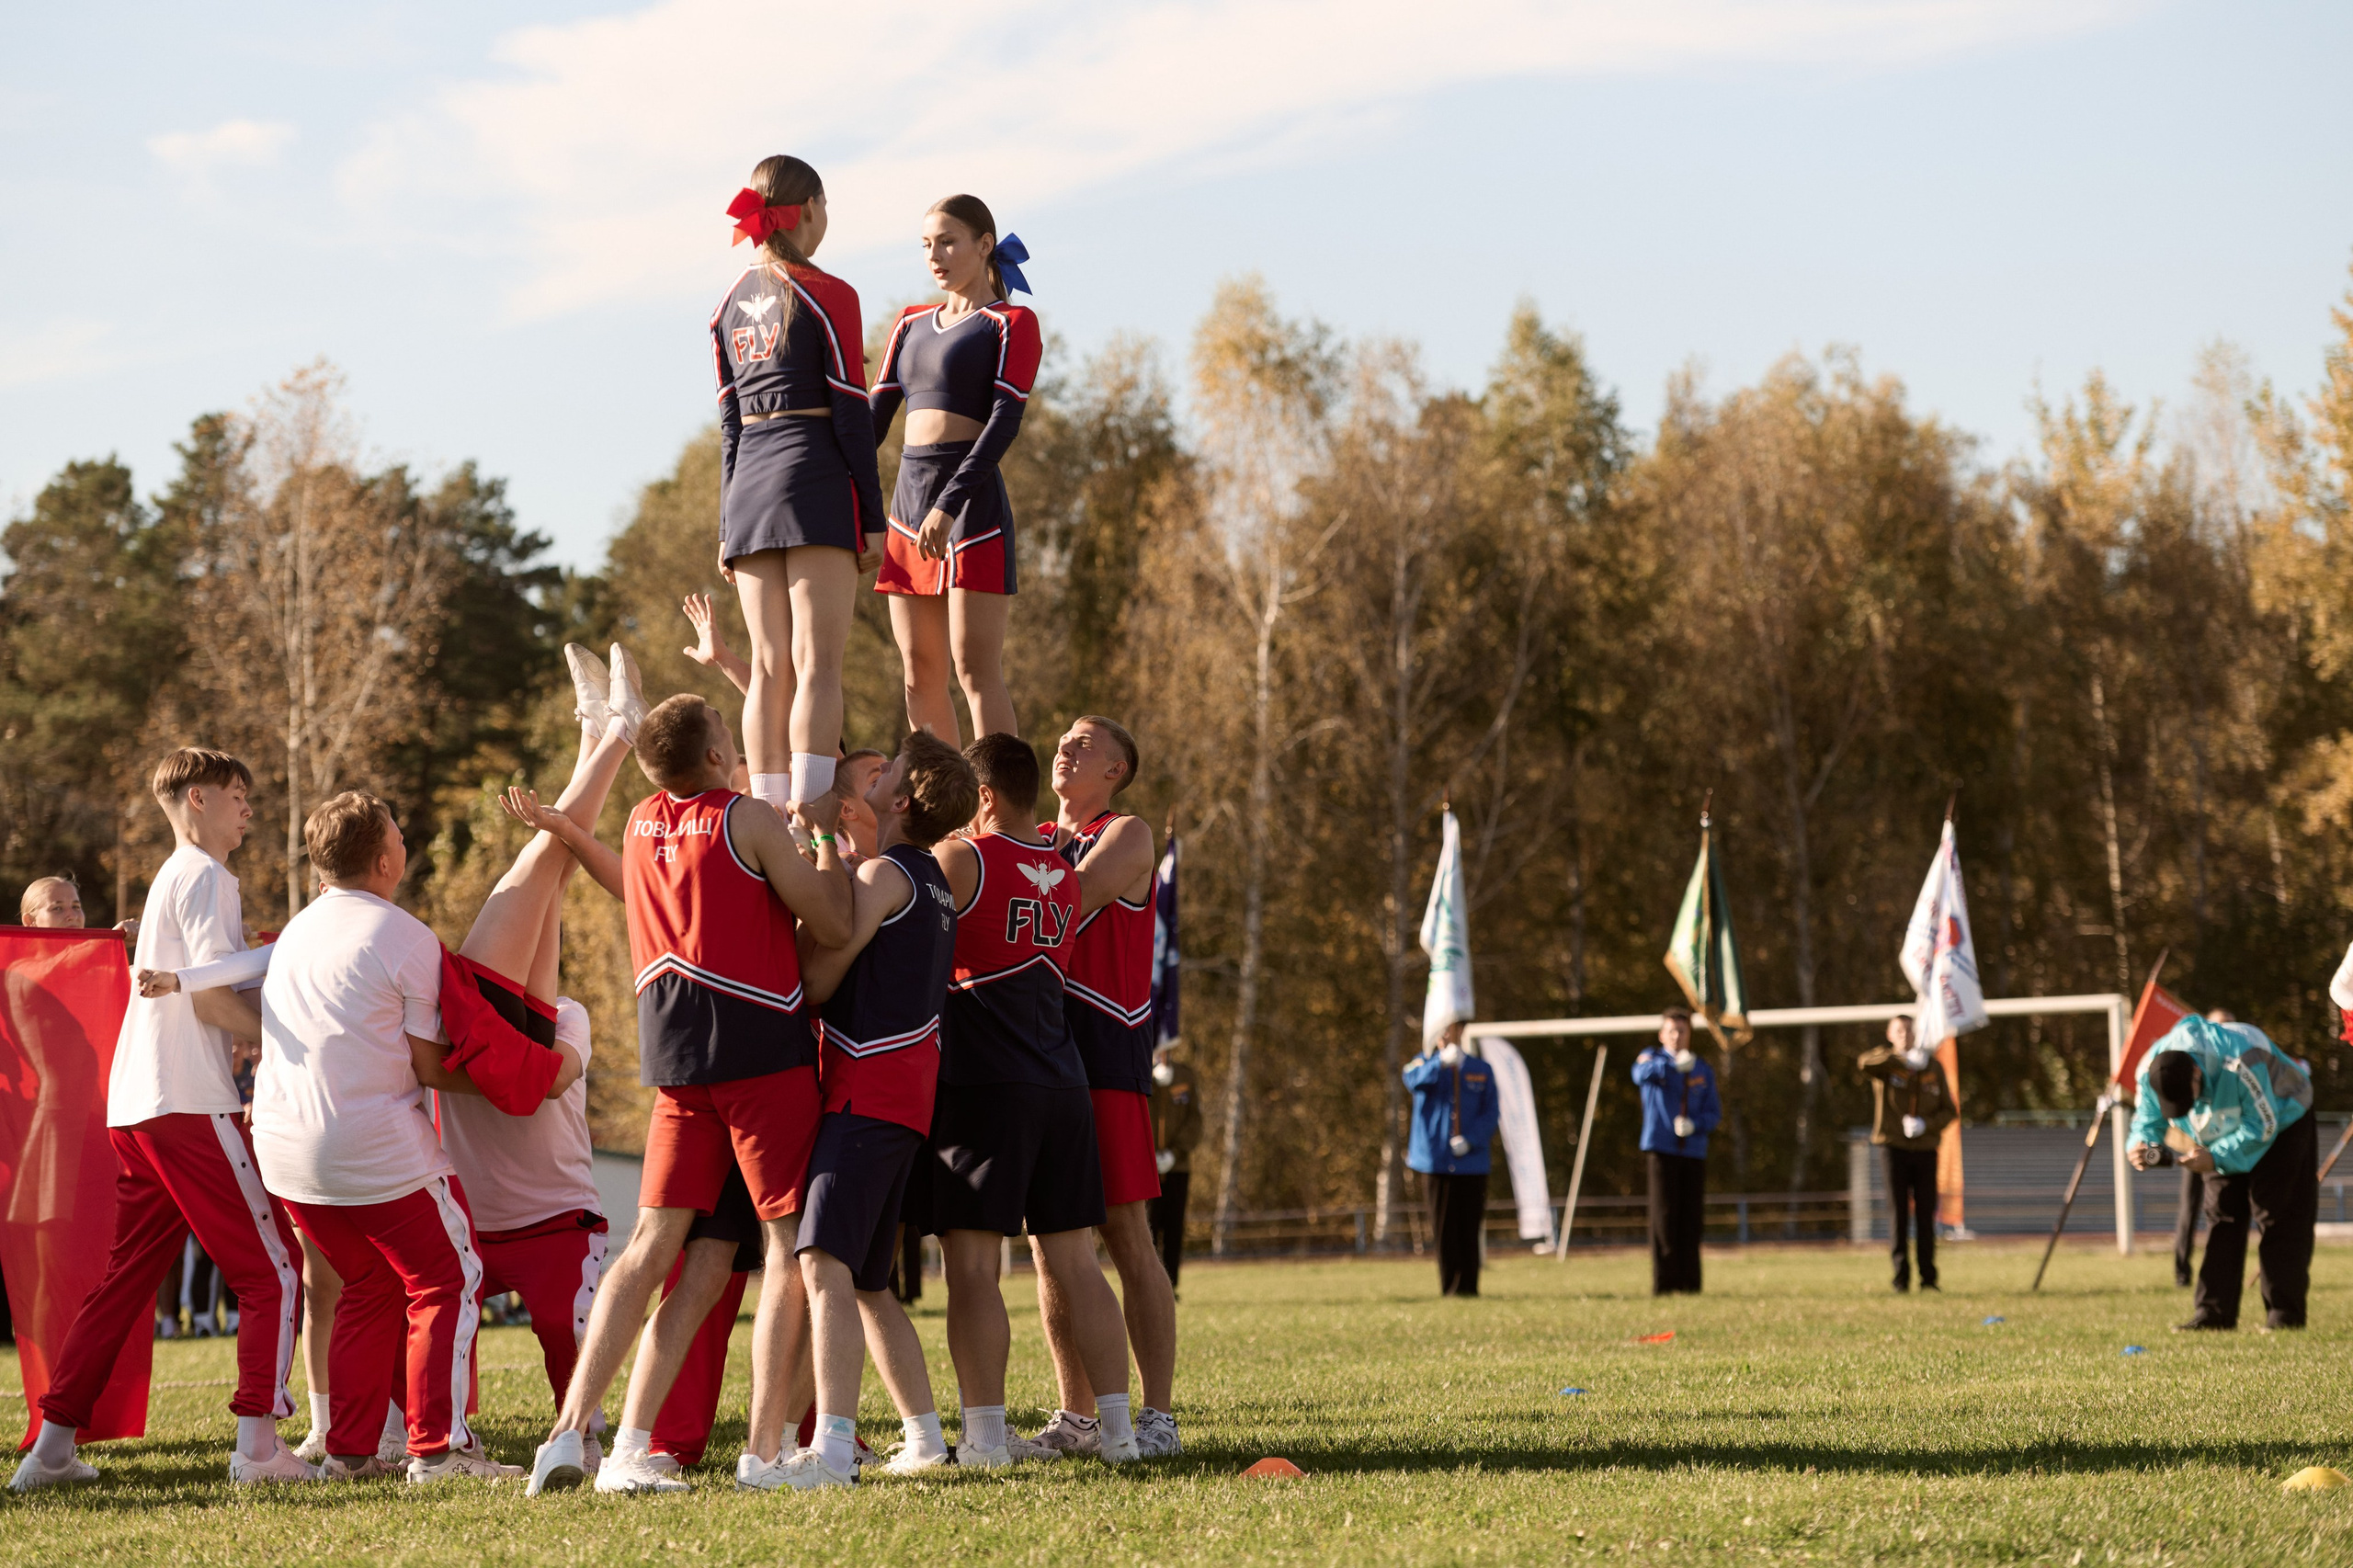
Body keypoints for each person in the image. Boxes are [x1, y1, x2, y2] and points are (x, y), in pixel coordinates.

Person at [521, 693, 852, 1494]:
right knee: (783, 1249)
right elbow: (834, 924)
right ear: (712, 757)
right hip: (762, 1054)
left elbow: (632, 891)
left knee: (670, 1252)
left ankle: (583, 1439)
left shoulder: (640, 823)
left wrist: (569, 833)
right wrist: (826, 843)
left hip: (675, 1063)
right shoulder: (746, 818)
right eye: (730, 742)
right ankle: (764, 1449)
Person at [249, 790, 584, 1483]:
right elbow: (431, 1064)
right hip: (368, 1147)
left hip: (284, 1155)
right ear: (383, 860)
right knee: (447, 1276)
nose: (405, 842)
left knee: (368, 1282)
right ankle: (440, 1450)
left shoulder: (297, 932)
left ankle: (348, 1450)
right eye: (400, 835)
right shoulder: (402, 936)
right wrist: (526, 1080)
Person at [12, 750, 310, 1493]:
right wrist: (295, 1040)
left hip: (139, 1104)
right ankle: (259, 1445)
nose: (248, 808)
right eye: (238, 795)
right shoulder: (207, 876)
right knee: (275, 1267)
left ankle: (50, 1449)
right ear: (198, 798)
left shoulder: (177, 873)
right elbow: (211, 1001)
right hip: (185, 1101)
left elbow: (202, 985)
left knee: (123, 1284)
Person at [760, 732, 978, 1490]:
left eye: (888, 775)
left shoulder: (887, 871)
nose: (875, 780)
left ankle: (830, 1453)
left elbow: (822, 974)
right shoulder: (931, 878)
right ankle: (922, 1436)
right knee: (870, 1284)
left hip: (867, 1094)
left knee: (820, 1262)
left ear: (904, 801)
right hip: (904, 1100)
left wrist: (818, 844)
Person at [928, 733, 1140, 1466]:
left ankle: (985, 1437)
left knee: (974, 1268)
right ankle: (1119, 1434)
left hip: (990, 1085)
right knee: (1079, 1263)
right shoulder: (1065, 871)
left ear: (982, 796)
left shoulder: (962, 860)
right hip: (1064, 1081)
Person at [710, 154, 885, 824]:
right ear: (809, 208)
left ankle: (765, 814)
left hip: (749, 489)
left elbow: (729, 423)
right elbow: (850, 412)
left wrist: (728, 526)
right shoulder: (829, 292)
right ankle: (812, 816)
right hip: (812, 478)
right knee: (818, 664)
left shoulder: (725, 307)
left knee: (767, 664)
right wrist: (872, 515)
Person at [1026, 716, 1180, 1459]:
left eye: (1084, 744)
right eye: (1061, 740)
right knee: (1051, 1244)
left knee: (1125, 1234)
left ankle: (1158, 1418)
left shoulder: (1127, 834)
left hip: (1106, 1053)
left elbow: (1062, 907)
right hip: (1038, 1054)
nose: (1064, 748)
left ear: (1116, 769)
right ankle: (1076, 1417)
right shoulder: (1035, 841)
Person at [869, 196, 1041, 744]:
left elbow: (1002, 424)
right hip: (905, 506)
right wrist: (839, 500)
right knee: (919, 675)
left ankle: (1000, 811)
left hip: (971, 507)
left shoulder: (1013, 322)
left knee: (974, 671)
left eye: (948, 241)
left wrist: (949, 503)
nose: (935, 255)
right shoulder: (909, 322)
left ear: (984, 245)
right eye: (926, 245)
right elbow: (870, 424)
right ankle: (940, 805)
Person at [2127, 1013, 2317, 1332]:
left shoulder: (2239, 1060)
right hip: (2221, 1132)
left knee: (2277, 1213)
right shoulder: (2149, 1070)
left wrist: (2215, 1158)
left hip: (2284, 1117)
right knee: (2222, 1214)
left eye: (2189, 1099)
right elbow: (2146, 1121)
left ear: (2197, 1073)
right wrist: (2140, 1145)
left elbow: (2263, 1125)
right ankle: (2214, 1315)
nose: (2187, 1109)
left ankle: (2284, 1316)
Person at [1858, 1015, 1955, 1293]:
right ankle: (1901, 1279)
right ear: (1890, 1034)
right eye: (1899, 1030)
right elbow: (1864, 1063)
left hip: (1924, 1149)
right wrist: (1899, 1060)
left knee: (1926, 1215)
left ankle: (1929, 1279)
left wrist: (1927, 1124)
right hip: (1894, 1149)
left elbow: (1949, 1110)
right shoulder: (1887, 1065)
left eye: (1910, 1030)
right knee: (1898, 1214)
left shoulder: (1932, 1067)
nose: (1905, 1035)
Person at [1403, 1021, 1499, 1298]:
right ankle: (1450, 1288)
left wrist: (1472, 1140)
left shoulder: (1481, 1070)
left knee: (1470, 1226)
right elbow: (1412, 1081)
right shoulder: (1421, 1064)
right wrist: (1439, 1064)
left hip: (1472, 1162)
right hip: (1436, 1161)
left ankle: (1470, 1287)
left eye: (1451, 1028)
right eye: (1441, 1029)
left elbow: (1491, 1112)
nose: (1446, 1034)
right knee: (1444, 1229)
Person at [1633, 1006, 1719, 1297]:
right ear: (1662, 1034)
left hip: (1693, 1152)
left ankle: (1690, 1285)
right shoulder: (1651, 1059)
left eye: (1682, 1031)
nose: (1677, 1036)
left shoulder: (1702, 1068)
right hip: (1662, 1150)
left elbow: (1713, 1112)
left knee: (1691, 1219)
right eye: (1672, 1031)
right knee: (1664, 1218)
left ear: (1689, 1034)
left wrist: (1696, 1125)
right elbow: (1639, 1074)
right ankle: (1665, 1285)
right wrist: (1671, 1066)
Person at [1148, 1041, 1202, 1292]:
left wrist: (1175, 1152)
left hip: (1178, 1166)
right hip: (1147, 1168)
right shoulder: (1140, 1074)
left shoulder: (1184, 1075)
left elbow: (1194, 1118)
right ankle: (1150, 1285)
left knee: (1174, 1228)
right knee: (1147, 1230)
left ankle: (1171, 1287)